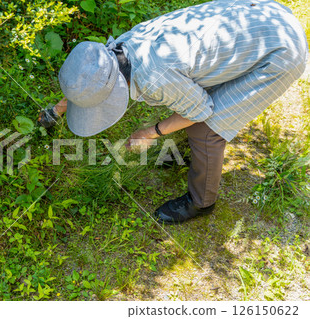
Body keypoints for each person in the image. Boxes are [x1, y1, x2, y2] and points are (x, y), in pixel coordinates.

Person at [38, 0, 308, 224]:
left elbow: (199, 110)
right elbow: (89, 81)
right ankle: (186, 154)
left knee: (206, 128)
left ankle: (201, 202)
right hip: (262, 14)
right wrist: (57, 110)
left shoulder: (156, 77)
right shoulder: (119, 47)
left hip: (280, 51)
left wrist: (150, 133)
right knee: (191, 102)